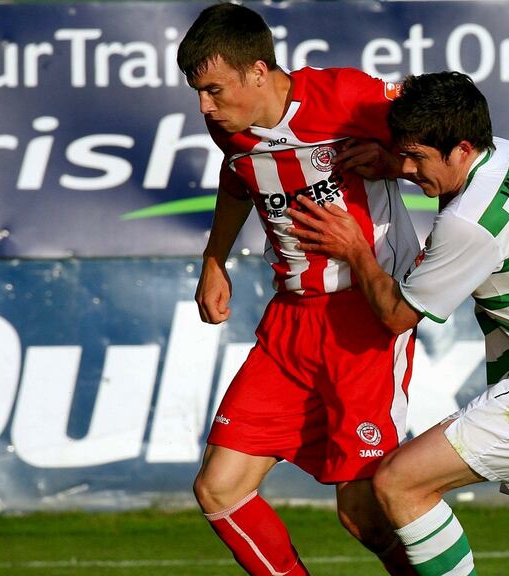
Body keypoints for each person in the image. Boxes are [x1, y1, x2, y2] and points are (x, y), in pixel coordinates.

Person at [287, 71, 509, 576]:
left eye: (416, 157)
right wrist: (397, 163)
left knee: (398, 483)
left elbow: (395, 315)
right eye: (402, 153)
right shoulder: (505, 152)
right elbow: (455, 191)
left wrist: (355, 251)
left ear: (458, 147)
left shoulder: (470, 222)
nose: (408, 169)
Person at [176, 3, 421, 575]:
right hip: (290, 320)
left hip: (364, 319)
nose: (204, 107)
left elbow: (454, 149)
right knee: (219, 489)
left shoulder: (350, 96)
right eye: (197, 92)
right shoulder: (227, 128)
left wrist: (391, 162)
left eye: (213, 89)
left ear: (258, 72)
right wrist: (215, 259)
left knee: (363, 513)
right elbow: (238, 177)